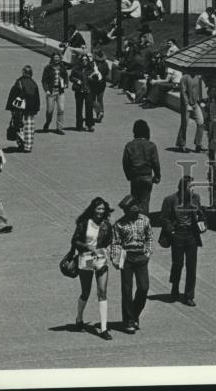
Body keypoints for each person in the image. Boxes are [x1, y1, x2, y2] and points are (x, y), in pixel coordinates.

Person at [159, 175, 206, 306]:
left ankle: (189, 295)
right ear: (183, 188)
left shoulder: (195, 199)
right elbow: (164, 218)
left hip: (191, 235)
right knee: (177, 264)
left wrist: (203, 224)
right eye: (190, 187)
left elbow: (201, 214)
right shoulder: (170, 200)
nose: (192, 189)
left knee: (192, 267)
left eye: (193, 187)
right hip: (177, 235)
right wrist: (172, 231)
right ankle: (175, 288)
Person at [71, 197, 114, 339]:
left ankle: (103, 328)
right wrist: (88, 247)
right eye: (98, 209)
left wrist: (108, 251)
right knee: (86, 291)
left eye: (103, 209)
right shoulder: (84, 223)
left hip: (101, 259)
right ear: (93, 209)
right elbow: (75, 240)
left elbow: (109, 241)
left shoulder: (107, 225)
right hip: (87, 258)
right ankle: (79, 318)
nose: (101, 212)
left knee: (102, 292)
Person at [110, 194, 154, 333]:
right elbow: (116, 243)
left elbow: (149, 237)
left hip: (141, 257)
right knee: (127, 290)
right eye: (129, 209)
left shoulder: (145, 220)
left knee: (143, 287)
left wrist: (148, 253)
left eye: (135, 207)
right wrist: (115, 259)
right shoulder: (119, 224)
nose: (133, 210)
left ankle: (134, 314)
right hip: (127, 258)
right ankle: (129, 320)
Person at [122, 119, 161, 215]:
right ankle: (144, 223)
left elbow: (125, 163)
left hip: (135, 177)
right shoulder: (151, 146)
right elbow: (155, 163)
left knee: (134, 201)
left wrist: (129, 176)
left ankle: (134, 221)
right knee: (145, 203)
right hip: (147, 177)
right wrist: (157, 176)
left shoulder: (129, 145)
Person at [5, 64, 41, 153]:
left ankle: (21, 144)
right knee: (29, 127)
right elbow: (37, 97)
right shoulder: (34, 83)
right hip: (31, 108)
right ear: (31, 73)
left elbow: (13, 95)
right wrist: (36, 108)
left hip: (19, 108)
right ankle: (28, 146)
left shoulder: (19, 82)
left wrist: (10, 107)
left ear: (23, 72)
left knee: (19, 126)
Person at [176, 71, 205, 152]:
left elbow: (199, 91)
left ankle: (198, 144)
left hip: (195, 104)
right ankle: (181, 144)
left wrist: (201, 101)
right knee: (184, 123)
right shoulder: (184, 78)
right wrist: (187, 104)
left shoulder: (197, 77)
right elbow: (183, 92)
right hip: (186, 104)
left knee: (201, 123)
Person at [41, 53, 68, 134]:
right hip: (51, 91)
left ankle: (59, 128)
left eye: (58, 57)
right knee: (50, 110)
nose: (56, 59)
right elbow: (44, 80)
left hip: (60, 91)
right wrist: (46, 90)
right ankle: (47, 123)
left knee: (61, 110)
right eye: (55, 57)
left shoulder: (62, 67)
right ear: (52, 58)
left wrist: (66, 83)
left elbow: (66, 76)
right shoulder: (48, 68)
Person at [70, 53, 96, 132]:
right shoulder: (76, 68)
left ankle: (89, 125)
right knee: (79, 108)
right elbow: (71, 77)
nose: (84, 61)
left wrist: (91, 79)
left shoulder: (91, 69)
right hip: (79, 90)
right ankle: (79, 125)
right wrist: (77, 80)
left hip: (88, 90)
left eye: (86, 60)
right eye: (83, 60)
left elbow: (96, 79)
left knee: (89, 108)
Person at [92, 48, 110, 123]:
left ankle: (99, 112)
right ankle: (101, 114)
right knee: (100, 99)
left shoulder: (94, 64)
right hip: (103, 83)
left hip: (94, 83)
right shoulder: (105, 64)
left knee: (92, 99)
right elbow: (107, 73)